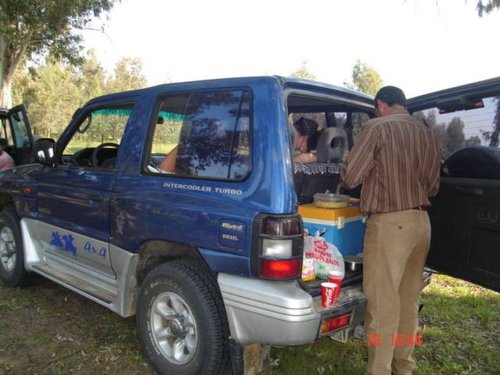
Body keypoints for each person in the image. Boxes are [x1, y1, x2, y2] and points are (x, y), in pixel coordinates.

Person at [341, 86, 441, 375]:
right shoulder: (427, 133)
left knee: (383, 304)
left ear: (381, 104)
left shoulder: (377, 127)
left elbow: (351, 176)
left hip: (390, 224)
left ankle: (379, 371)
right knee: (408, 301)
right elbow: (433, 186)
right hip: (421, 224)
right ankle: (403, 367)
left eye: (376, 108)